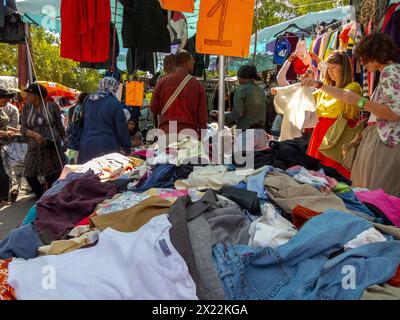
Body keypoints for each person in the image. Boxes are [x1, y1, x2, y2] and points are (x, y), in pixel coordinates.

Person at [336, 32, 400, 196]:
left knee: (375, 195)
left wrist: (360, 101)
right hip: (382, 139)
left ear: (374, 54)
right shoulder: (391, 72)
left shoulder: (389, 72)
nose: (363, 64)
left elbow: (395, 112)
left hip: (385, 144)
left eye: (364, 58)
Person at [301, 51, 362, 178]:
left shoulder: (353, 87)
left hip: (339, 136)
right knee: (318, 177)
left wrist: (319, 84)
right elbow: (304, 99)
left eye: (334, 67)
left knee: (335, 177)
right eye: (328, 68)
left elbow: (344, 95)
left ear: (344, 68)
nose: (330, 71)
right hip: (320, 135)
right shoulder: (324, 88)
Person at [20, 83, 66, 199]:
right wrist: (35, 135)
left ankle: (49, 198)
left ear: (37, 95)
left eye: (29, 94)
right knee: (29, 173)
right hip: (34, 146)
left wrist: (64, 141)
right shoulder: (26, 108)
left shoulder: (52, 107)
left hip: (51, 145)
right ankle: (41, 195)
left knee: (52, 174)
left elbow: (60, 126)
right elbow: (23, 128)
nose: (27, 97)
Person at [150, 50, 208, 139]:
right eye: (192, 61)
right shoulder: (197, 85)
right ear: (187, 62)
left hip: (166, 131)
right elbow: (202, 116)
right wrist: (201, 137)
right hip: (188, 132)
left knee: (166, 153)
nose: (193, 63)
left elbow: (153, 107)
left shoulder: (162, 82)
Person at [78, 77, 131, 164]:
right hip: (107, 147)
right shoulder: (114, 102)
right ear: (113, 87)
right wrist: (127, 148)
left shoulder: (87, 100)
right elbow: (122, 128)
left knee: (86, 175)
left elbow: (81, 122)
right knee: (105, 175)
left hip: (86, 146)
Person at [212, 64, 266, 130]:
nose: (237, 79)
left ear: (242, 77)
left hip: (246, 130)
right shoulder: (260, 90)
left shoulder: (241, 90)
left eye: (238, 77)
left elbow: (237, 113)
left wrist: (220, 116)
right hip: (260, 130)